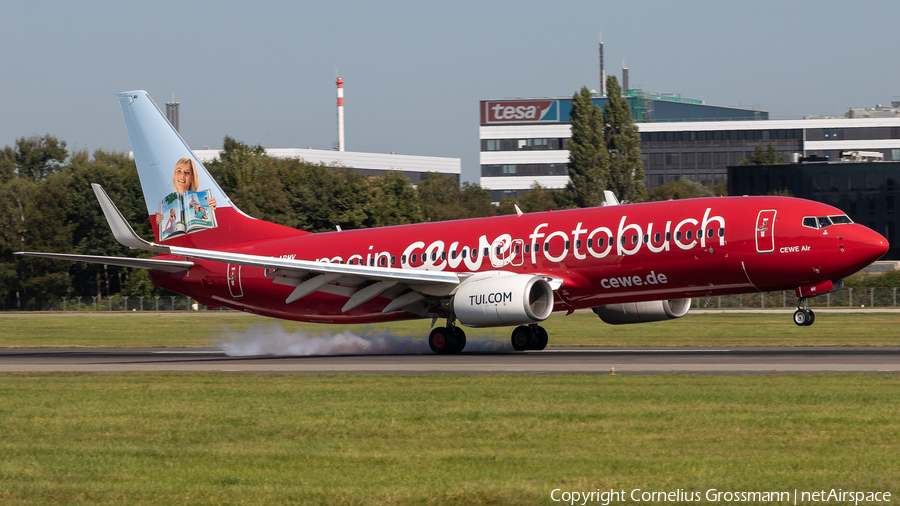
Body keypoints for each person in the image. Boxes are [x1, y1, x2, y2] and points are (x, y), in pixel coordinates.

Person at [156, 158, 217, 229]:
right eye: (179, 171)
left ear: (192, 178)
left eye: (187, 172)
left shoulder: (203, 199)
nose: (182, 175)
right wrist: (160, 225)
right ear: (174, 175)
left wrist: (212, 211)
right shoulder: (166, 205)